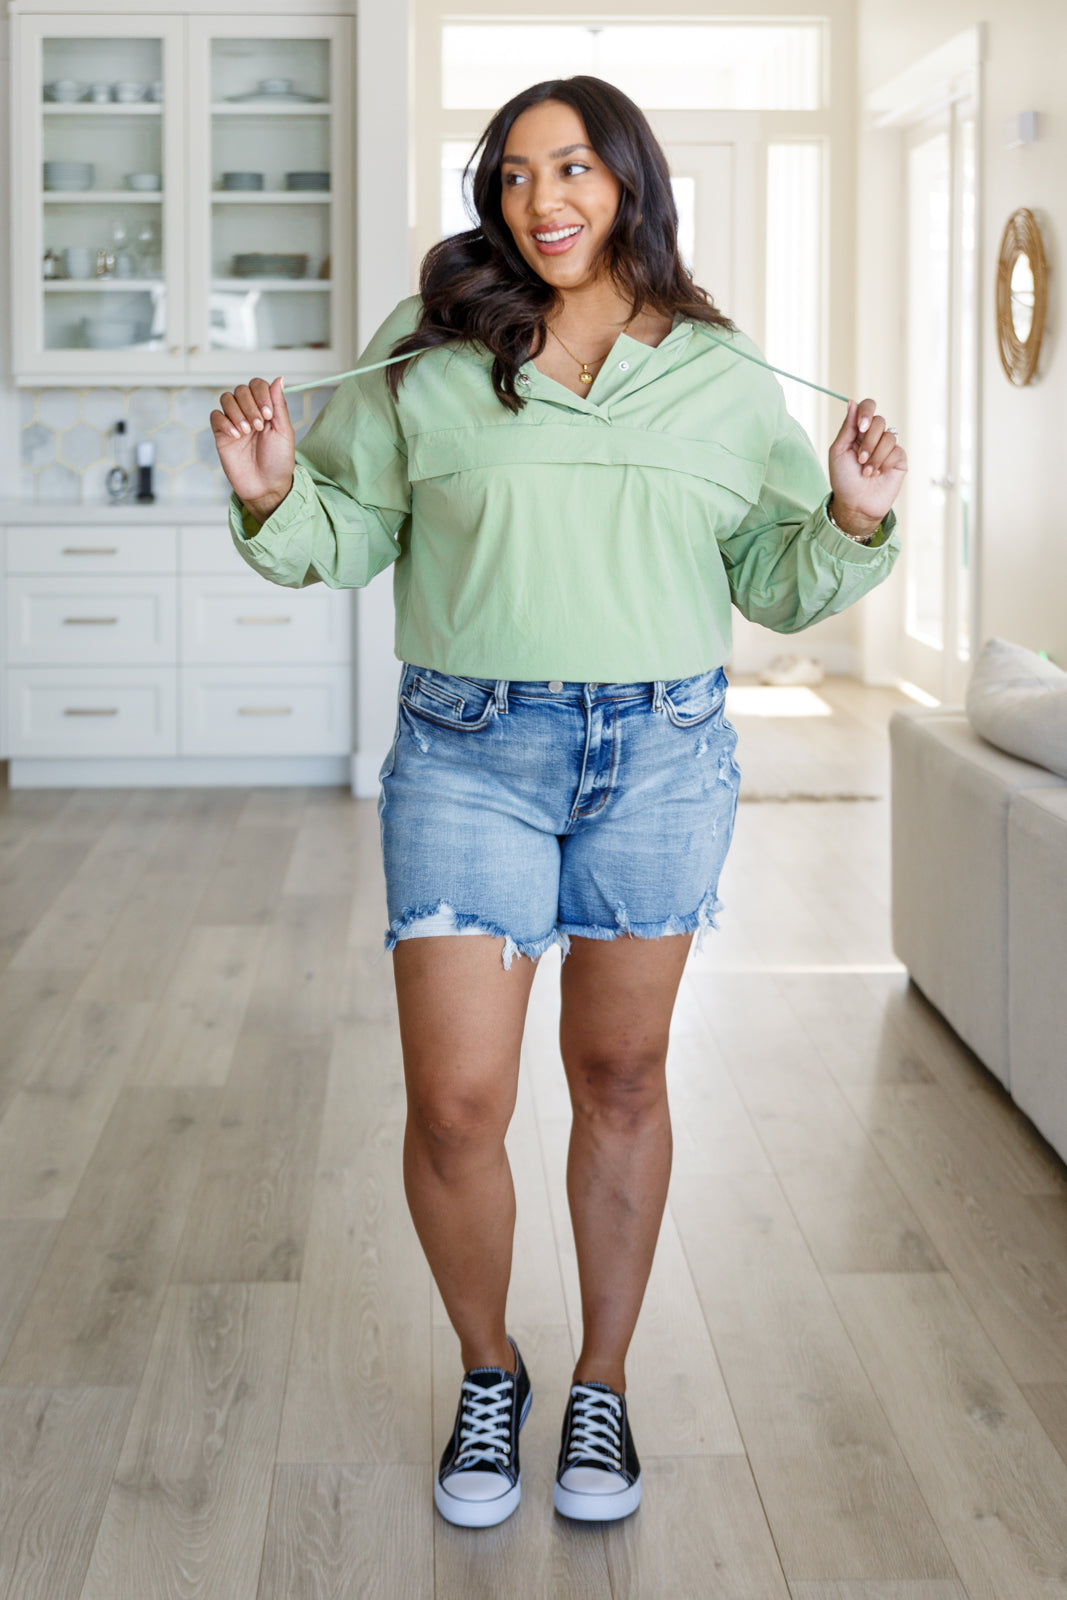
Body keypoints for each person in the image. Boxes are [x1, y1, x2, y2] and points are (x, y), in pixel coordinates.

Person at [211, 75, 906, 1530]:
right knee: (458, 1104)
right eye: (517, 173)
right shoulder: (429, 347)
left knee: (622, 1080)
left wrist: (849, 512)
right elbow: (352, 532)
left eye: (575, 166)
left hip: (661, 754)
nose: (544, 199)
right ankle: (491, 1370)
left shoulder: (723, 370)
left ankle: (603, 1381)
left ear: (630, 181)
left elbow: (775, 579)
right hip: (468, 751)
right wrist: (275, 491)